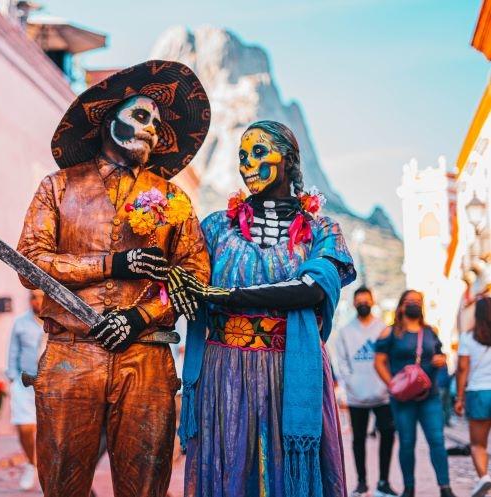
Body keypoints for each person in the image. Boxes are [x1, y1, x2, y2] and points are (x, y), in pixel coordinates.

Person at [17, 60, 211, 497]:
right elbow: (30, 262)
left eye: (158, 125)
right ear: (109, 120)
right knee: (63, 485)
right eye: (141, 116)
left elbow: (195, 274)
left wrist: (140, 317)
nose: (151, 130)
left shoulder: (173, 197)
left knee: (145, 487)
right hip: (70, 355)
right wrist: (112, 264)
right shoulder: (58, 187)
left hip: (145, 360)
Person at [169, 120, 355, 497]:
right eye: (242, 155)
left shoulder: (323, 230)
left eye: (258, 152)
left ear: (288, 159)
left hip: (291, 370)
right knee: (230, 467)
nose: (247, 163)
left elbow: (311, 289)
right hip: (225, 372)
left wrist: (225, 296)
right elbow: (185, 282)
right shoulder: (216, 228)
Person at [374, 290, 455, 497]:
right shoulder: (390, 333)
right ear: (401, 305)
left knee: (437, 440)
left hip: (430, 396)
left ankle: (445, 488)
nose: (414, 304)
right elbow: (379, 362)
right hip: (402, 399)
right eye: (409, 301)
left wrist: (441, 359)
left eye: (418, 301)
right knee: (407, 443)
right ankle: (409, 488)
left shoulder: (430, 331)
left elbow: (439, 355)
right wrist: (392, 384)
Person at [335, 286, 397, 497]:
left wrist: (388, 384)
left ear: (373, 302)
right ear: (354, 304)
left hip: (383, 395)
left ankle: (384, 481)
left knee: (387, 436)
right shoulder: (345, 331)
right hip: (356, 396)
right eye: (359, 301)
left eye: (366, 300)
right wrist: (351, 383)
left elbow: (390, 358)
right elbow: (341, 363)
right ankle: (361, 482)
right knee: (358, 439)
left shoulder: (383, 329)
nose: (363, 304)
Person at [5, 290, 44, 490]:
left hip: (49, 385)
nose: (37, 301)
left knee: (50, 433)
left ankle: (48, 471)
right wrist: (12, 377)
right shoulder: (20, 323)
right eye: (33, 297)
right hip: (23, 382)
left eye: (40, 296)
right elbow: (13, 351)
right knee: (24, 426)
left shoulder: (57, 321)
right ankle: (31, 463)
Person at [455, 296, 491, 497]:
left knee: (478, 444)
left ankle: (484, 478)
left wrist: (459, 398)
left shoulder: (468, 338)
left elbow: (462, 368)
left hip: (478, 393)